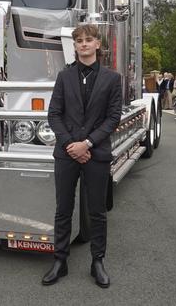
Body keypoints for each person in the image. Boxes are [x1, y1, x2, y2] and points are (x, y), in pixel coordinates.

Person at [45, 24, 122, 288]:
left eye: (88, 40)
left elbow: (113, 117)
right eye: (79, 41)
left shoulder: (112, 79)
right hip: (67, 154)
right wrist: (71, 146)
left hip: (96, 154)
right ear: (75, 46)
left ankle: (97, 262)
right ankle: (60, 261)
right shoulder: (63, 77)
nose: (84, 44)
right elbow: (54, 114)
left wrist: (87, 144)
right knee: (63, 209)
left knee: (97, 211)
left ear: (97, 44)